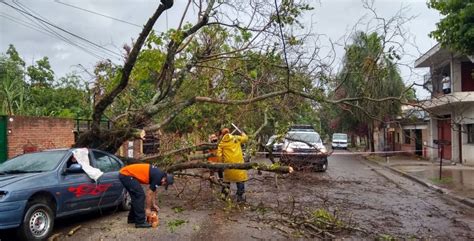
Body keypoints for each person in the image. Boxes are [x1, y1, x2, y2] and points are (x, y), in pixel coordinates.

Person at [119, 163, 174, 228]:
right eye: (165, 184)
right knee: (140, 195)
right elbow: (149, 193)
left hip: (126, 175)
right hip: (126, 174)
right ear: (165, 179)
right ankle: (140, 222)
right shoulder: (158, 177)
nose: (163, 185)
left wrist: (153, 204)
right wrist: (148, 209)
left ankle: (132, 218)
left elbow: (153, 191)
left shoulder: (160, 175)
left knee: (136, 197)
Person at [217, 127, 249, 203]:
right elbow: (246, 139)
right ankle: (240, 197)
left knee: (226, 181)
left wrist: (222, 164)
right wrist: (242, 133)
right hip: (239, 165)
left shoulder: (221, 144)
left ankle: (223, 196)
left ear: (222, 134)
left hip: (228, 166)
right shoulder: (236, 138)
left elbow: (219, 156)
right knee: (240, 180)